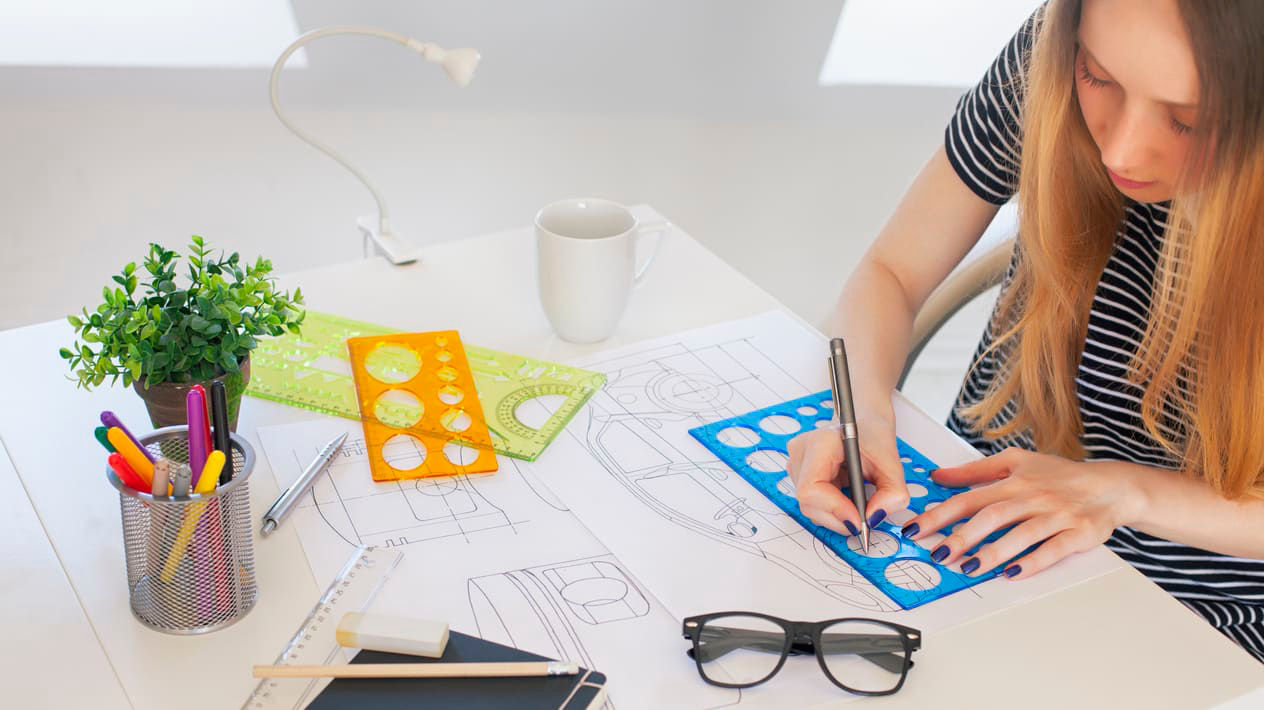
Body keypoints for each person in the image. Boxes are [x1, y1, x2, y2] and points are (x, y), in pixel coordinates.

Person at [786, 0, 1264, 661]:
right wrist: (861, 411)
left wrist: (1125, 491)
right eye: (1097, 77)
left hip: (1198, 606)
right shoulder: (1054, 45)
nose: (1120, 150)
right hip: (975, 509)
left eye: (1189, 120)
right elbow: (892, 271)